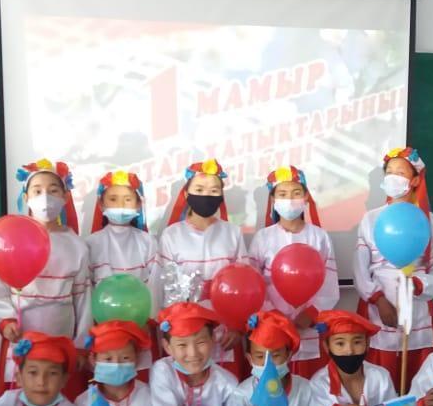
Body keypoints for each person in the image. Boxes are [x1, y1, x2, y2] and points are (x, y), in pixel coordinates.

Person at [0, 159, 90, 400]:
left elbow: (83, 300)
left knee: (58, 399)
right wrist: (5, 321)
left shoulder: (76, 245)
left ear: (65, 197)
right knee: (19, 402)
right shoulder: (10, 237)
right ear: (26, 196)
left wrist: (81, 343)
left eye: (53, 191)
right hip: (21, 337)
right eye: (37, 191)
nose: (45, 198)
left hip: (60, 338)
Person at [354, 147, 433, 393]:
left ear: (415, 180)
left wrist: (419, 285)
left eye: (401, 172)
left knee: (417, 378)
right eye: (389, 172)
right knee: (380, 376)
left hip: (416, 304)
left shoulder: (428, 220)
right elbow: (360, 268)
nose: (393, 177)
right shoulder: (371, 219)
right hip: (378, 305)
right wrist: (378, 300)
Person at [158, 159, 249, 379]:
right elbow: (166, 288)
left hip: (226, 331)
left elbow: (245, 284)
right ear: (186, 193)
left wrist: (237, 326)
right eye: (199, 189)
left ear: (221, 195)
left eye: (214, 190)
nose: (206, 195)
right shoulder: (171, 235)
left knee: (227, 383)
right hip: (186, 331)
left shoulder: (232, 232)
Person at [248, 166, 339, 379]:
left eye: (296, 193)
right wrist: (272, 315)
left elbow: (330, 281)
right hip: (272, 325)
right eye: (282, 194)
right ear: (273, 199)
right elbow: (253, 283)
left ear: (306, 197)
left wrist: (312, 313)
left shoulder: (319, 237)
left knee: (309, 381)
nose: (289, 199)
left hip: (308, 325)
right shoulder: (262, 238)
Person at [85, 169, 161, 380]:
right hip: (103, 331)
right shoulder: (91, 243)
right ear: (101, 204)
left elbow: (155, 284)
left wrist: (146, 322)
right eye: (113, 199)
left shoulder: (148, 242)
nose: (120, 205)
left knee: (140, 382)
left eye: (128, 199)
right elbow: (87, 290)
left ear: (138, 204)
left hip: (140, 329)